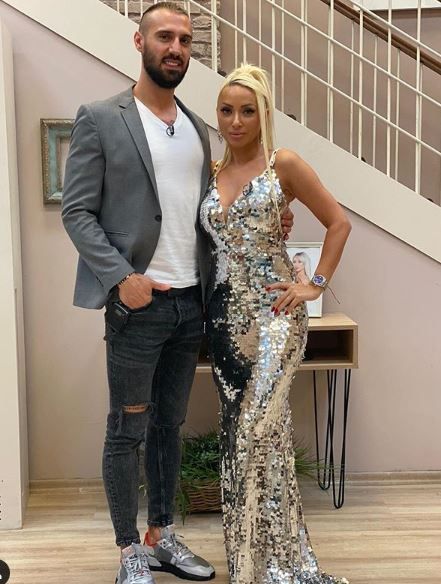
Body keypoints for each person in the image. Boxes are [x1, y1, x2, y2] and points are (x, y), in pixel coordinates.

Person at [62, 4, 293, 584]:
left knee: (169, 426)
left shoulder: (196, 127)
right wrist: (123, 278)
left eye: (186, 40)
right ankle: (128, 551)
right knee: (127, 429)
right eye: (165, 36)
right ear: (139, 41)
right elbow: (77, 212)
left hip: (194, 305)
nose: (176, 48)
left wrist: (275, 221)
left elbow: (212, 211)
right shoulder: (101, 118)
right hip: (137, 306)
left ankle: (161, 536)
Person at [200, 64, 352, 584]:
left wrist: (315, 283)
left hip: (275, 320)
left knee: (252, 435)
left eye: (248, 111)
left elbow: (338, 222)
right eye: (227, 110)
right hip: (224, 320)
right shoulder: (211, 171)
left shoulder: (281, 164)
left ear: (264, 115)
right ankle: (265, 560)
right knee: (250, 437)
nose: (236, 121)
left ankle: (257, 568)